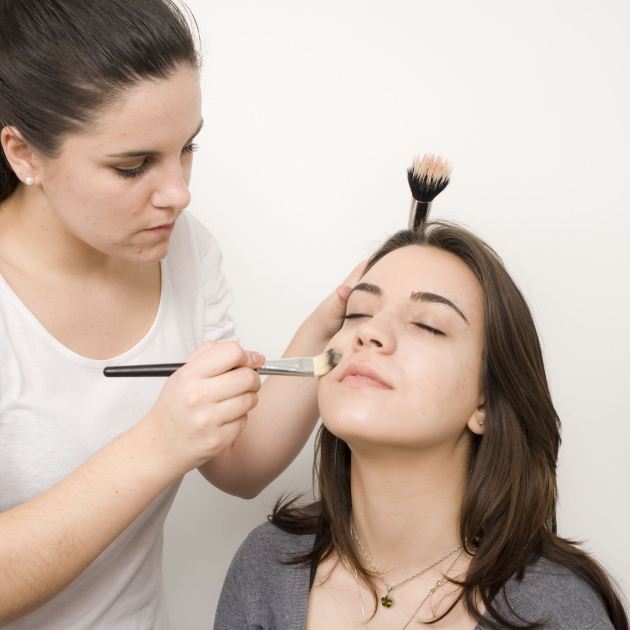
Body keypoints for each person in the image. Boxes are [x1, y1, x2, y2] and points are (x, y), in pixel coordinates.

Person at [0, 1, 357, 628]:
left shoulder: (184, 249)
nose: (178, 193)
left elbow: (238, 466)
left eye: (186, 148)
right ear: (24, 154)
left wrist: (322, 334)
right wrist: (156, 446)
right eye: (133, 166)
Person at [215, 222, 629, 629]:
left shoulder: (556, 612)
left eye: (428, 324)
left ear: (485, 402)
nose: (369, 332)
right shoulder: (266, 567)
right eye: (356, 313)